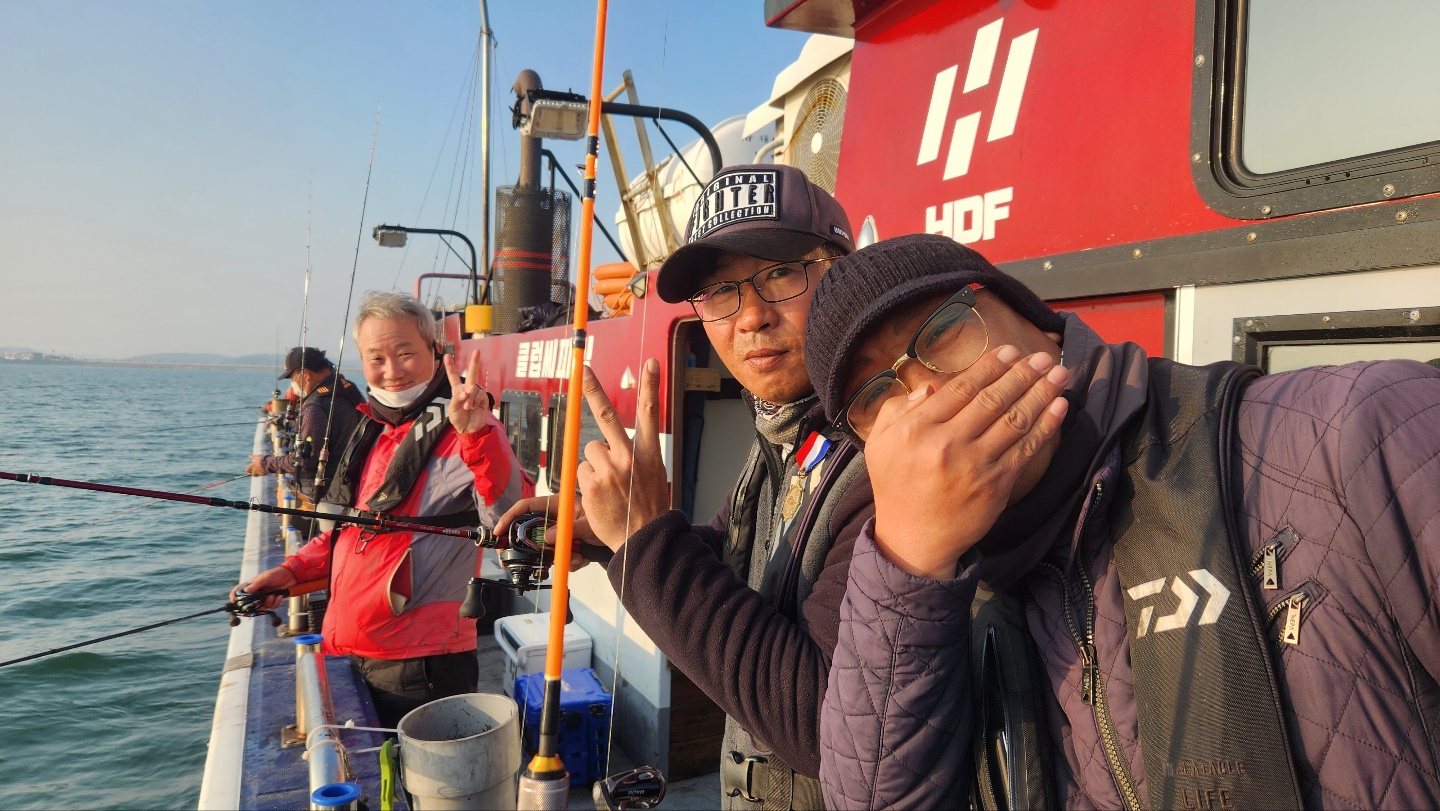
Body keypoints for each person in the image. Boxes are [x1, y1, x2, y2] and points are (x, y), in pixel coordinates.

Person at [806, 233, 1440, 809]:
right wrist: (910, 562)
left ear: (1035, 318)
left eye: (943, 331)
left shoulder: (1359, 425)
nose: (926, 395)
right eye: (874, 395)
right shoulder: (929, 595)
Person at [498, 164, 873, 809]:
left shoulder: (887, 452)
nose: (750, 316)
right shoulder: (784, 429)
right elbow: (732, 554)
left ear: (843, 274)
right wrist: (612, 538)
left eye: (781, 272)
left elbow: (824, 719)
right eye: (720, 291)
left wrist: (645, 538)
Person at [232, 291, 532, 728]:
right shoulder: (375, 429)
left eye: (405, 353)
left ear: (435, 350)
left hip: (421, 664)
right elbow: (350, 532)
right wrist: (290, 571)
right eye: (376, 358)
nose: (391, 371)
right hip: (351, 648)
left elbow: (510, 519)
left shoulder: (470, 430)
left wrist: (478, 436)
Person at [246, 346, 365, 502]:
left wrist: (265, 463)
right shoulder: (349, 390)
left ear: (306, 375)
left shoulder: (315, 408)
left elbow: (303, 462)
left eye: (293, 378)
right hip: (354, 485)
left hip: (325, 495)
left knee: (284, 495)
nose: (293, 384)